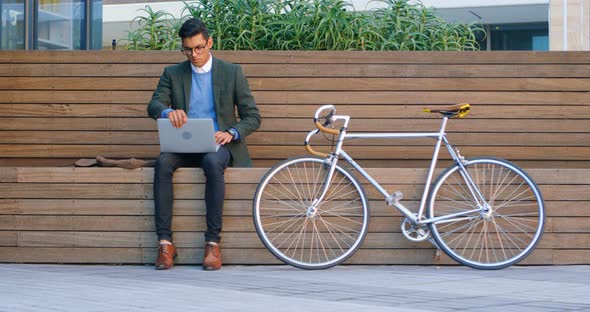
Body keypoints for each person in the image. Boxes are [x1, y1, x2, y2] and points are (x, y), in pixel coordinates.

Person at [147, 18, 261, 271]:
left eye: (199, 48)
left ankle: (212, 243)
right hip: (184, 144)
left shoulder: (231, 72)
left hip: (218, 145)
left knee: (211, 162)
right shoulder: (173, 73)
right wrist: (168, 113)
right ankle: (165, 244)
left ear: (209, 42)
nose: (194, 54)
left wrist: (231, 132)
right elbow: (154, 105)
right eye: (188, 49)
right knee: (163, 162)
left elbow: (253, 116)